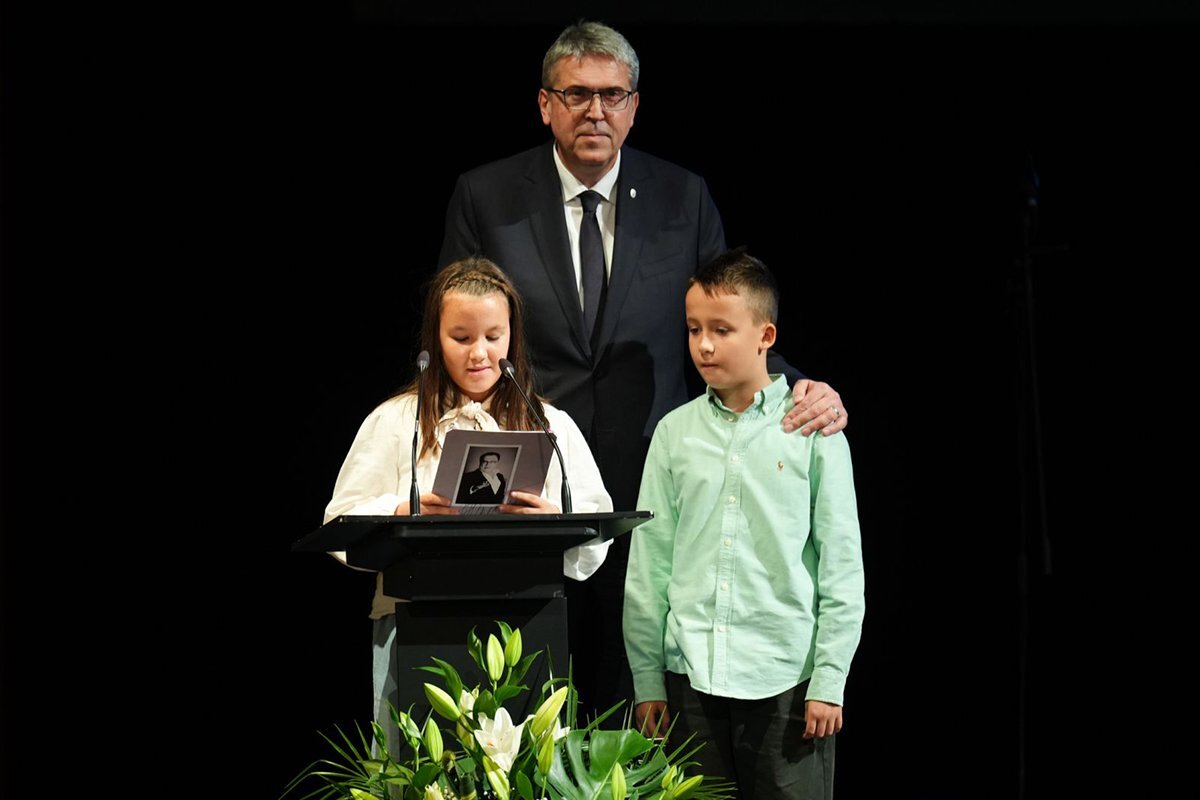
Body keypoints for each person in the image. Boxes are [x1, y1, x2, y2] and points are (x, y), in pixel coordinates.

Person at [438, 19, 848, 718]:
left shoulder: (682, 196)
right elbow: (455, 327)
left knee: (638, 695)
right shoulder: (486, 195)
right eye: (577, 94)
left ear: (634, 106)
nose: (595, 111)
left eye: (612, 95)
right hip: (527, 486)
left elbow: (729, 311)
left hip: (652, 473)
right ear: (545, 104)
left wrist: (798, 383)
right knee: (524, 691)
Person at [323, 256, 613, 758]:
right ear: (434, 340)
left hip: (527, 623)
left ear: (512, 337)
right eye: (461, 337)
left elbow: (596, 529)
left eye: (493, 336)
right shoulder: (396, 422)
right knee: (418, 767)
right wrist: (400, 512)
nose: (479, 353)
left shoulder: (550, 424)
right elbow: (339, 521)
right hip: (412, 621)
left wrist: (557, 522)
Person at [623, 249, 865, 800]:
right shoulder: (674, 433)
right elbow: (649, 564)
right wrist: (647, 678)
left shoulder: (813, 430)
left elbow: (842, 566)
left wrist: (830, 678)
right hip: (690, 679)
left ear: (765, 335)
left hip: (786, 681)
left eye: (722, 329)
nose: (704, 345)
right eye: (694, 329)